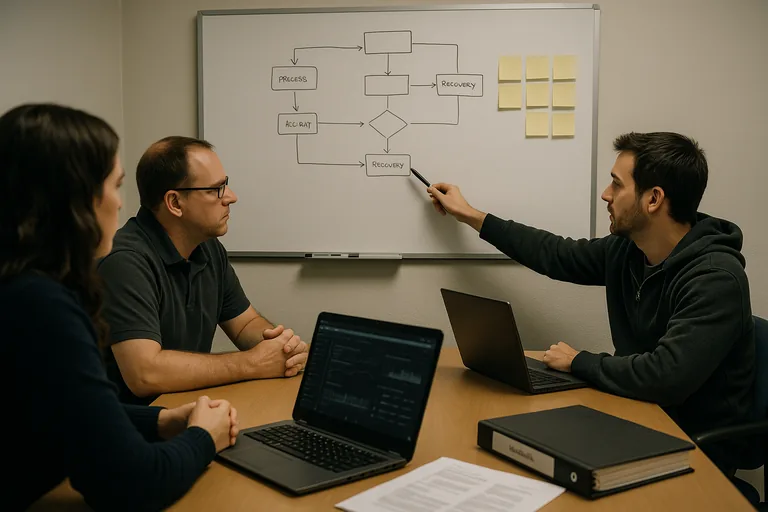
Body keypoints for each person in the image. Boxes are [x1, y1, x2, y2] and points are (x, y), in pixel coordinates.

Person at [427, 132, 755, 472]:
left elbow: (666, 377)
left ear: (653, 199)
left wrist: (579, 362)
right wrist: (470, 215)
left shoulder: (716, 279)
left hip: (695, 450)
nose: (606, 194)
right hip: (636, 414)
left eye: (616, 184)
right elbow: (556, 254)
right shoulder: (629, 252)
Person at [0, 103, 239, 511]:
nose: (119, 204)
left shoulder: (22, 288)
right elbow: (131, 483)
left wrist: (160, 420)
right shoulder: (41, 307)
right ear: (73, 201)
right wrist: (204, 435)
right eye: (115, 186)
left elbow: (72, 412)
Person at [96, 136, 309, 405]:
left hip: (186, 412)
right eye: (216, 189)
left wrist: (281, 348)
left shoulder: (208, 248)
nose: (231, 197)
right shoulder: (124, 262)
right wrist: (250, 363)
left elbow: (245, 324)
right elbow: (144, 374)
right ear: (175, 203)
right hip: (131, 432)